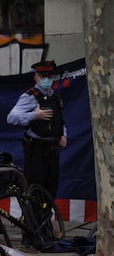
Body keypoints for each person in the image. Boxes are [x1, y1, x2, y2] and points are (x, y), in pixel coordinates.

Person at [7, 60, 67, 200]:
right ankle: (32, 219)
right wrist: (35, 115)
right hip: (37, 149)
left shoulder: (54, 96)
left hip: (53, 148)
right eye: (42, 76)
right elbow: (11, 117)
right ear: (36, 77)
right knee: (34, 188)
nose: (46, 79)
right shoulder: (29, 96)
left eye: (49, 76)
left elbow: (59, 119)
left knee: (51, 189)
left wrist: (63, 134)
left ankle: (46, 220)